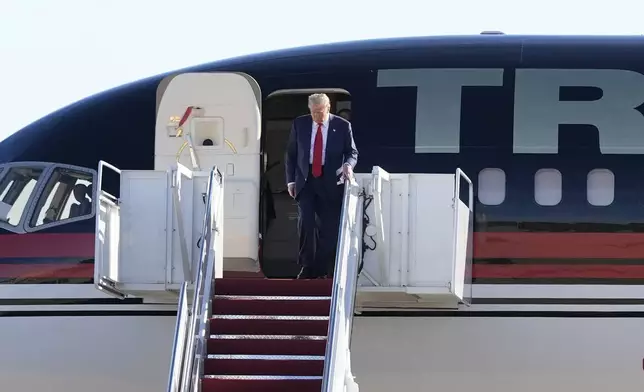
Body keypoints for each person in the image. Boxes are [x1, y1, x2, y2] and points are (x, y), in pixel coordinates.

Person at [285, 93, 358, 279]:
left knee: (328, 228)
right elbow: (291, 154)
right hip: (306, 179)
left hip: (330, 181)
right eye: (313, 112)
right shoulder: (299, 124)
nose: (317, 116)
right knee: (306, 224)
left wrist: (348, 165)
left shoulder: (342, 126)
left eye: (320, 112)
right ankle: (307, 266)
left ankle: (322, 267)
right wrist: (291, 180)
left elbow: (352, 152)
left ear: (328, 107)